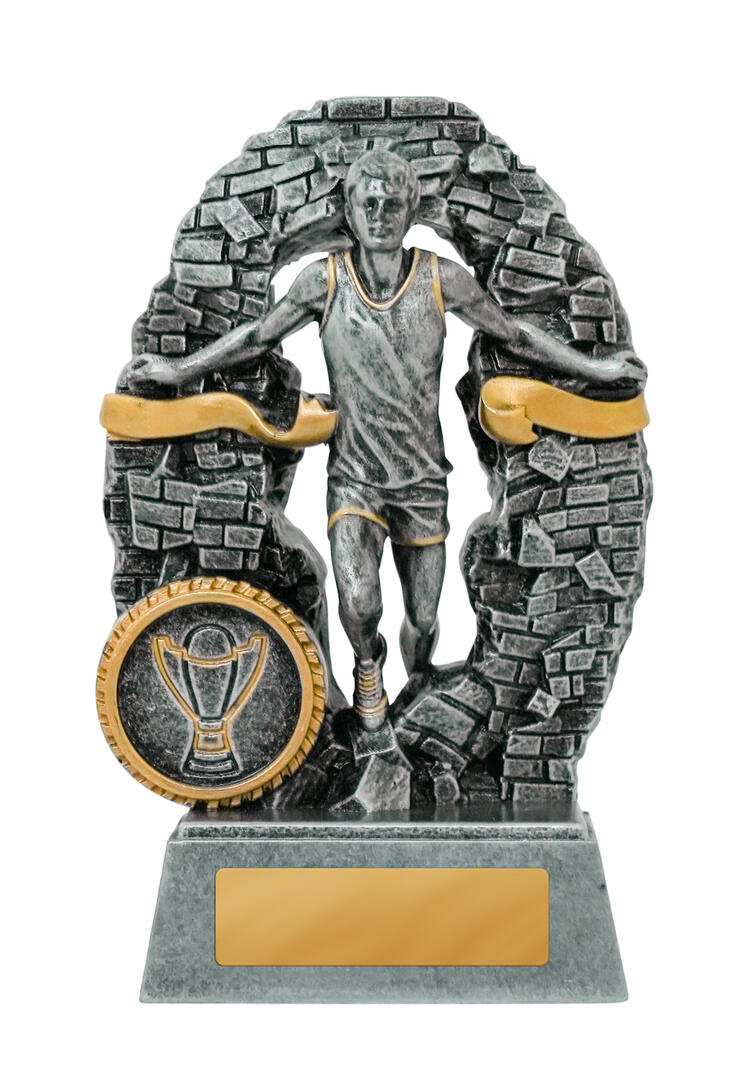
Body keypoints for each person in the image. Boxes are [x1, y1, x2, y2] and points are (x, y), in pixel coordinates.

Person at [126, 149, 645, 729]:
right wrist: (178, 371)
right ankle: (367, 669)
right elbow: (255, 338)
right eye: (367, 203)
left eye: (392, 203)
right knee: (359, 602)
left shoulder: (440, 278)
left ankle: (418, 682)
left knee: (423, 616)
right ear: (348, 211)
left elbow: (514, 334)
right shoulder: (323, 280)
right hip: (355, 479)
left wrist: (595, 369)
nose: (379, 214)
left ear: (411, 210)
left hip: (423, 481)